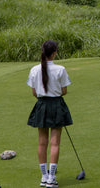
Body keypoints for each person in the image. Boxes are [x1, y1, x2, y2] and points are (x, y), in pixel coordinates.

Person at [27, 40, 73, 188]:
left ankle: (44, 176)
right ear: (54, 53)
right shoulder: (60, 69)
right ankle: (51, 178)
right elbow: (64, 91)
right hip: (56, 105)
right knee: (55, 143)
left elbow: (34, 92)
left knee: (42, 142)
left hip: (41, 105)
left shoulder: (34, 69)